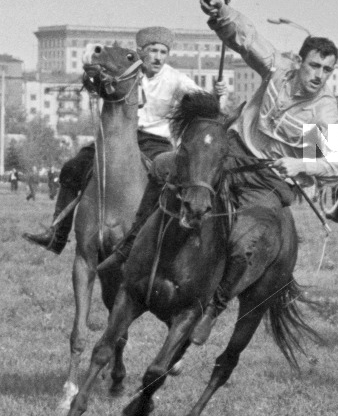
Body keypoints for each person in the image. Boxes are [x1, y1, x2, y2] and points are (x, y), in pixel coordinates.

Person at [153, 0, 338, 344]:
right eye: (314, 66)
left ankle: (213, 309)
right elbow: (247, 38)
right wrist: (222, 14)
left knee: (248, 241)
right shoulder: (276, 69)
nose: (319, 76)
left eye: (326, 70)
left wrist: (300, 163)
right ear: (299, 61)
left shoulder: (325, 110)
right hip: (231, 154)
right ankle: (132, 251)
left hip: (270, 179)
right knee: (162, 166)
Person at [22, 27, 220, 254]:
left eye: (163, 52)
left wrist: (215, 93)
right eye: (152, 51)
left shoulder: (176, 79)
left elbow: (202, 100)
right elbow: (97, 80)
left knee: (168, 179)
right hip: (119, 137)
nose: (157, 57)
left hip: (155, 142)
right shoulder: (125, 72)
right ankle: (57, 235)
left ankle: (171, 241)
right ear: (140, 52)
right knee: (71, 168)